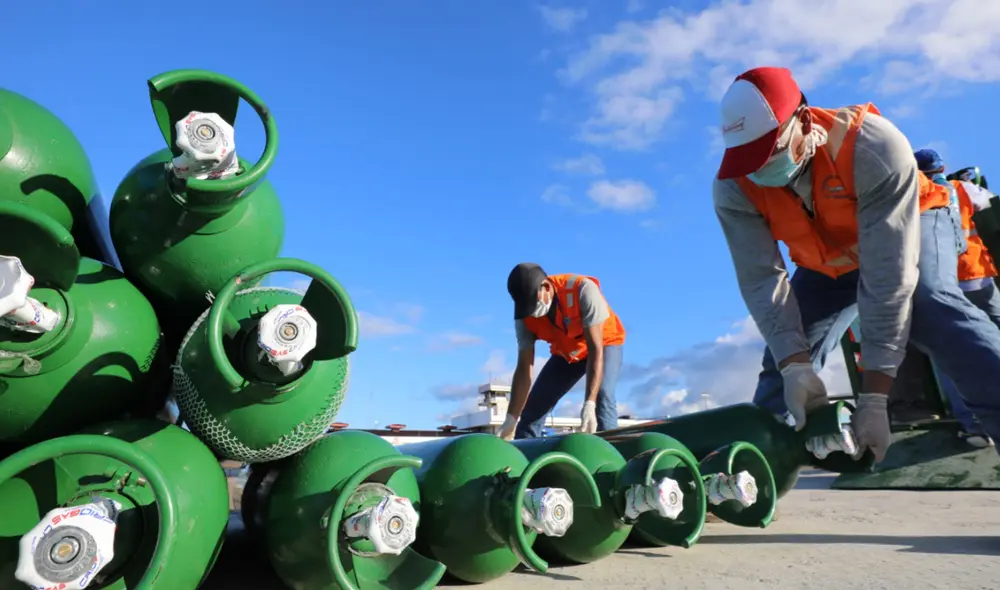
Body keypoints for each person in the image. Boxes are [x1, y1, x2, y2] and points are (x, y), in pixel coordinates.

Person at [713, 66, 1000, 462]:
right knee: (785, 359)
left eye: (770, 153)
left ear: (804, 120)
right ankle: (748, 477)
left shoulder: (872, 146)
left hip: (912, 220)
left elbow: (889, 279)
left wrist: (875, 397)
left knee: (932, 305)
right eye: (750, 160)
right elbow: (762, 281)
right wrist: (795, 365)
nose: (760, 170)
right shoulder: (733, 188)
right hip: (827, 259)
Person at [915, 151, 1000, 447]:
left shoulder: (914, 193)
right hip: (978, 277)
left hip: (942, 282)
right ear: (943, 167)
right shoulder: (964, 188)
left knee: (952, 353)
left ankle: (974, 425)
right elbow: (991, 205)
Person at [499, 263, 626, 440]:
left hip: (604, 344)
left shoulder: (583, 290)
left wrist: (589, 403)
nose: (532, 312)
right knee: (533, 410)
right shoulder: (524, 316)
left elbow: (595, 350)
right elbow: (524, 368)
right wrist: (510, 419)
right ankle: (526, 460)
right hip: (567, 352)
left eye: (532, 303)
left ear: (546, 287)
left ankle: (612, 455)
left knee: (602, 396)